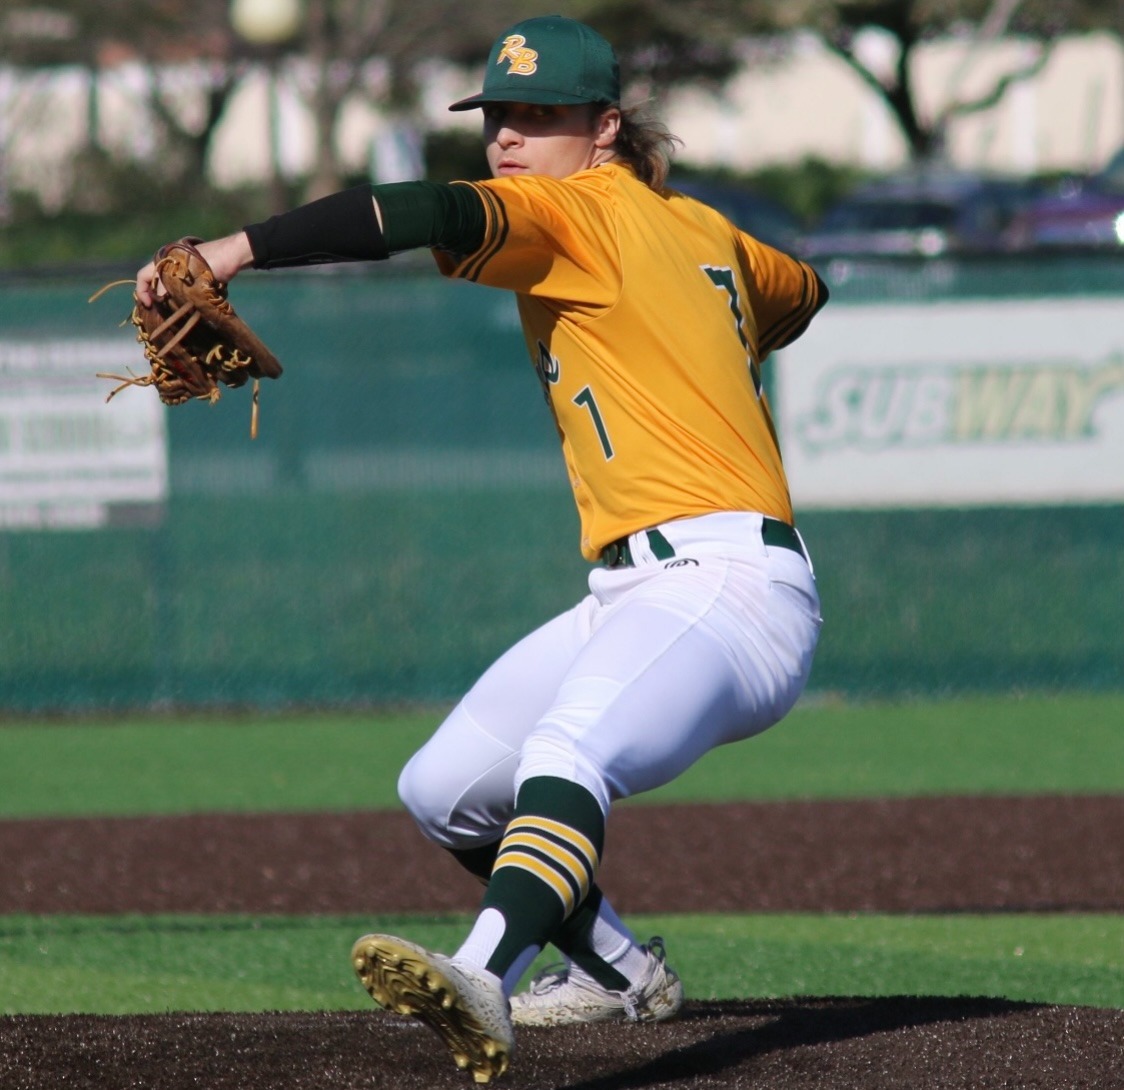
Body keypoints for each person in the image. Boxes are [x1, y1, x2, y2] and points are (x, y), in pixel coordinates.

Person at [136, 14, 827, 1084]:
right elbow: (803, 289)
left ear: (603, 128)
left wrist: (235, 249)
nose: (508, 136)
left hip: (728, 586)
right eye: (498, 113)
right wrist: (708, 325)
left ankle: (480, 975)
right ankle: (619, 970)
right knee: (445, 787)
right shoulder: (702, 229)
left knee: (565, 754)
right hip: (638, 587)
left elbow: (424, 210)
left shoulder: (574, 210)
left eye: (539, 115)